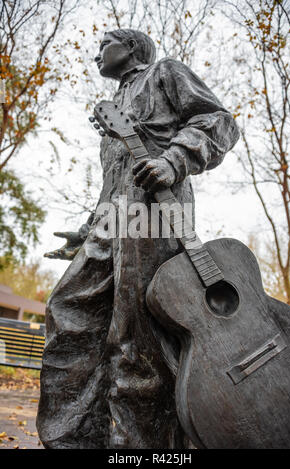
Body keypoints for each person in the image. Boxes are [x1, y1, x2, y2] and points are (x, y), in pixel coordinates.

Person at [37, 29, 239, 449]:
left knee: (136, 336)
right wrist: (89, 228)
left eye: (103, 44)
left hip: (155, 216)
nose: (96, 54)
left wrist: (175, 159)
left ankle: (140, 448)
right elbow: (115, 179)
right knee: (69, 311)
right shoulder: (115, 104)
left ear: (130, 47)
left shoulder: (164, 73)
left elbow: (219, 121)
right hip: (110, 223)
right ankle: (74, 439)